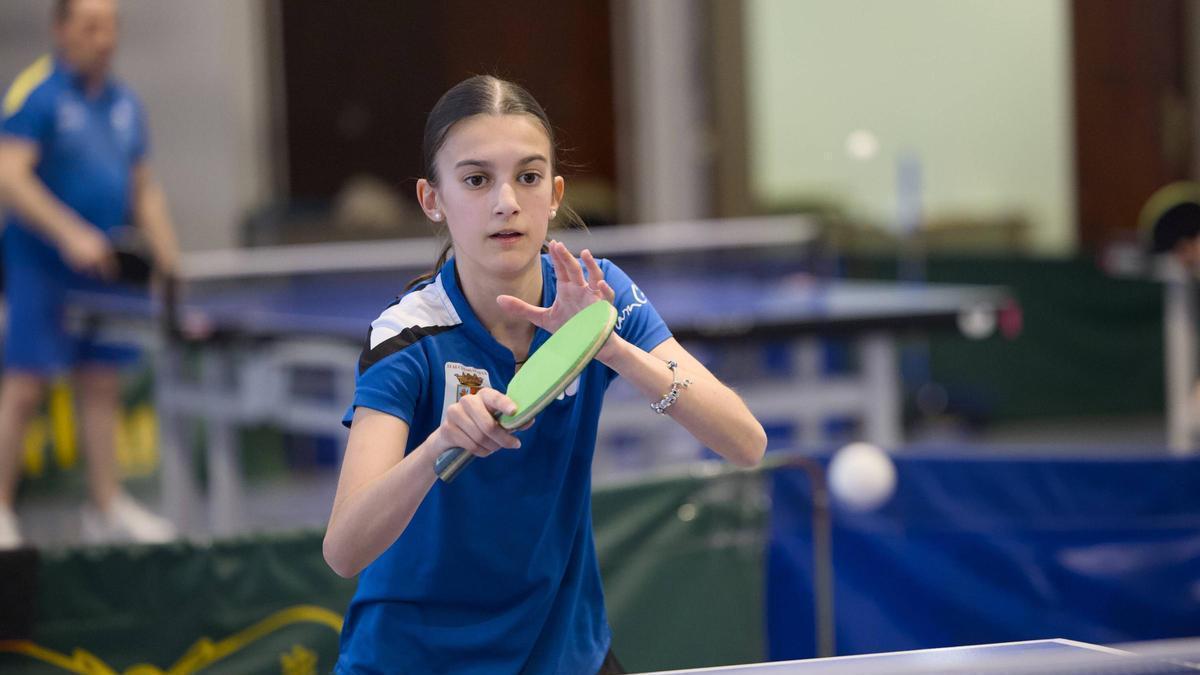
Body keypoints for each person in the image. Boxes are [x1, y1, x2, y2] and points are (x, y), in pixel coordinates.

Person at [322, 75, 767, 674]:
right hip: (418, 659)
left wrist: (610, 348)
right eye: (476, 180)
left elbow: (745, 443)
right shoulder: (409, 336)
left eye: (528, 177)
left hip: (565, 654)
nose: (506, 201)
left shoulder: (598, 294)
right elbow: (344, 549)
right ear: (432, 200)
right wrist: (440, 445)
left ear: (555, 193)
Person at [0, 0, 179, 548]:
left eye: (110, 27)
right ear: (61, 31)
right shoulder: (36, 94)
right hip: (40, 265)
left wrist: (167, 254)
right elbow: (9, 175)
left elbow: (143, 187)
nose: (104, 39)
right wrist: (68, 233)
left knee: (102, 384)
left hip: (104, 267)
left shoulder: (125, 103)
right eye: (90, 27)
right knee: (25, 386)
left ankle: (105, 507)